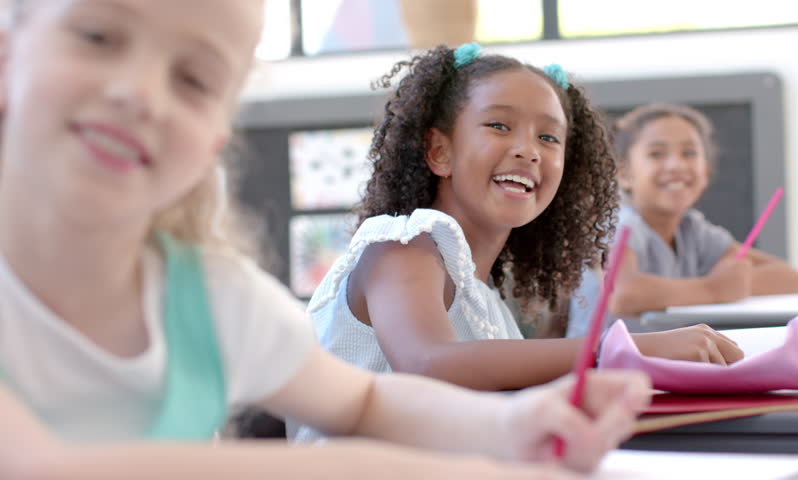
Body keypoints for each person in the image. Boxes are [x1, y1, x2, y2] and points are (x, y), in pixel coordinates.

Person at [0, 1, 653, 478]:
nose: (141, 94)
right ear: (6, 56)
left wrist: (512, 427)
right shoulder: (407, 246)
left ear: (215, 141)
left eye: (194, 80)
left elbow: (365, 400)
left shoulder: (209, 293)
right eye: (97, 35)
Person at [292, 44, 743, 441]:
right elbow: (429, 364)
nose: (529, 149)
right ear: (438, 152)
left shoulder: (487, 303)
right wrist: (624, 348)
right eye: (499, 126)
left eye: (549, 137)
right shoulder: (401, 246)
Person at [568, 103, 798, 334]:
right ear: (625, 173)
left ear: (707, 171)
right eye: (656, 153)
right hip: (598, 367)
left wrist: (734, 283)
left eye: (689, 153)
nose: (676, 165)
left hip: (658, 364)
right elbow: (622, 294)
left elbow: (792, 279)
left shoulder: (692, 230)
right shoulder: (619, 222)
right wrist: (712, 290)